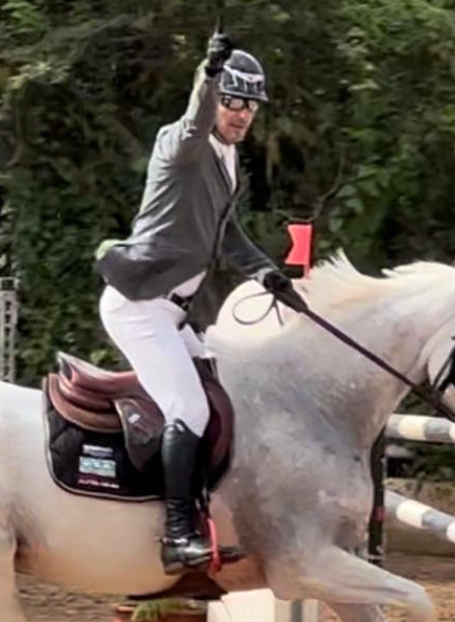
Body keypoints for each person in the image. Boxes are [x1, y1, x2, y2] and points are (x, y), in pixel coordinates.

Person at [94, 31, 308, 575]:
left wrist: (267, 272)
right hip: (139, 303)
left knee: (221, 387)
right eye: (232, 102)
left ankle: (210, 505)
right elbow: (194, 122)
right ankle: (176, 535)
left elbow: (226, 233)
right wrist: (207, 76)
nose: (240, 115)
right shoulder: (181, 142)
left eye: (250, 105)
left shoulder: (229, 160)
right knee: (188, 407)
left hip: (172, 310)